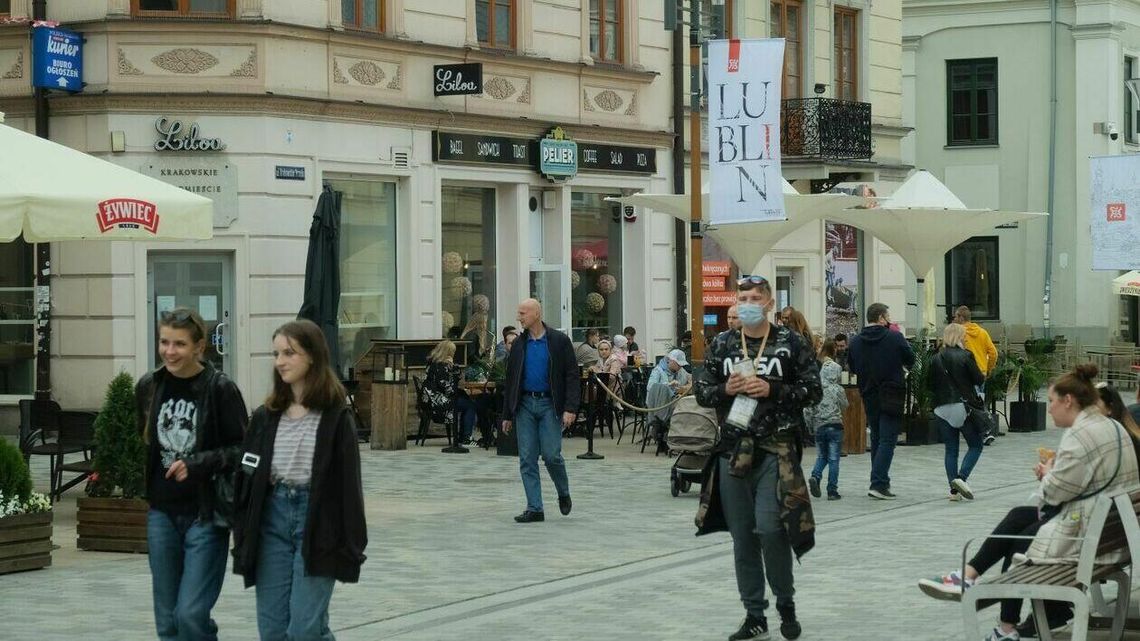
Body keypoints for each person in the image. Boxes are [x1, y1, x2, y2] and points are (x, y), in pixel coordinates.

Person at [918, 364, 1139, 641]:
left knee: (1020, 541)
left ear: (1068, 400)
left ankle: (1002, 622)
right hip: (1109, 533)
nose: (1049, 410)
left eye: (1051, 401)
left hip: (1085, 541)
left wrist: (1047, 473)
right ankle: (970, 579)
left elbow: (1054, 495)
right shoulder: (1111, 426)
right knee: (1020, 516)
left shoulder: (1080, 435)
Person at [695, 275, 822, 641]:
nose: (748, 303)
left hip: (775, 448)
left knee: (770, 528)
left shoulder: (791, 342)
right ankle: (754, 615)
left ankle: (785, 602)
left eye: (755, 298)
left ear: (769, 303)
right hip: (733, 450)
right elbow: (702, 391)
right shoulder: (723, 342)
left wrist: (773, 389)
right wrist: (726, 388)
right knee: (743, 537)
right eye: (743, 297)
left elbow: (813, 390)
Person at [231, 319, 367, 640]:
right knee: (273, 630)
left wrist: (351, 544)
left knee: (305, 629)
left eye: (289, 353)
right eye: (276, 354)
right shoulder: (265, 416)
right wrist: (242, 529)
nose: (280, 361)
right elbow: (247, 476)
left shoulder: (336, 416)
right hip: (272, 521)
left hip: (318, 523)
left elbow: (350, 487)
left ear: (313, 356)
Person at [138, 307, 248, 641]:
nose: (169, 351)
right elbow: (146, 442)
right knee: (167, 621)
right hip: (161, 513)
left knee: (190, 614)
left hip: (205, 514)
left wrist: (198, 464)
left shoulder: (220, 388)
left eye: (179, 344)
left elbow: (243, 450)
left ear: (199, 347)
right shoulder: (149, 386)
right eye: (164, 342)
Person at [501, 298, 580, 524]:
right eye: (519, 313)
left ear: (536, 314)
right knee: (527, 457)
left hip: (549, 404)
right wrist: (507, 414)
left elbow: (572, 375)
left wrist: (570, 408)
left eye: (523, 313)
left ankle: (563, 492)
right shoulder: (519, 344)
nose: (519, 317)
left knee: (551, 455)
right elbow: (511, 380)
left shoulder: (559, 341)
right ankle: (534, 508)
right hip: (525, 404)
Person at [848, 302, 915, 500]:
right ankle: (878, 482)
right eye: (888, 316)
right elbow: (910, 359)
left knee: (877, 437)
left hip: (868, 392)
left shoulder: (856, 341)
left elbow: (852, 366)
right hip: (891, 392)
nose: (890, 320)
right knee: (888, 438)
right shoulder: (894, 337)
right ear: (881, 318)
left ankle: (881, 482)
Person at [929, 323, 986, 502]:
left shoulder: (935, 358)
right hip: (961, 406)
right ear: (960, 337)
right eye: (964, 336)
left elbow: (929, 384)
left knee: (951, 449)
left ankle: (954, 491)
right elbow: (979, 379)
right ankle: (961, 478)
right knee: (976, 445)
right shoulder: (965, 355)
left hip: (940, 407)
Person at [806, 339, 848, 501]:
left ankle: (815, 476)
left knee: (821, 456)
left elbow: (807, 410)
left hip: (819, 426)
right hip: (835, 425)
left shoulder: (816, 390)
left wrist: (810, 426)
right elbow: (845, 405)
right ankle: (832, 491)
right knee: (834, 458)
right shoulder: (837, 389)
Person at [955, 306, 999, 444]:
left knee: (971, 405)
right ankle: (980, 430)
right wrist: (988, 368)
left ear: (961, 317)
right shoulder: (982, 332)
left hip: (965, 374)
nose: (954, 319)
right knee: (978, 401)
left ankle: (985, 431)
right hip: (981, 373)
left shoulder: (959, 334)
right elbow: (993, 353)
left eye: (956, 316)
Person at [424, 339, 479, 444]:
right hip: (440, 401)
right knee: (470, 405)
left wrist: (453, 366)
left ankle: (463, 437)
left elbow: (456, 377)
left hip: (432, 400)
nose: (454, 354)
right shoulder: (441, 366)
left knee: (466, 401)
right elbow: (447, 387)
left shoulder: (432, 363)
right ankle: (466, 437)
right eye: (453, 351)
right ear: (448, 352)